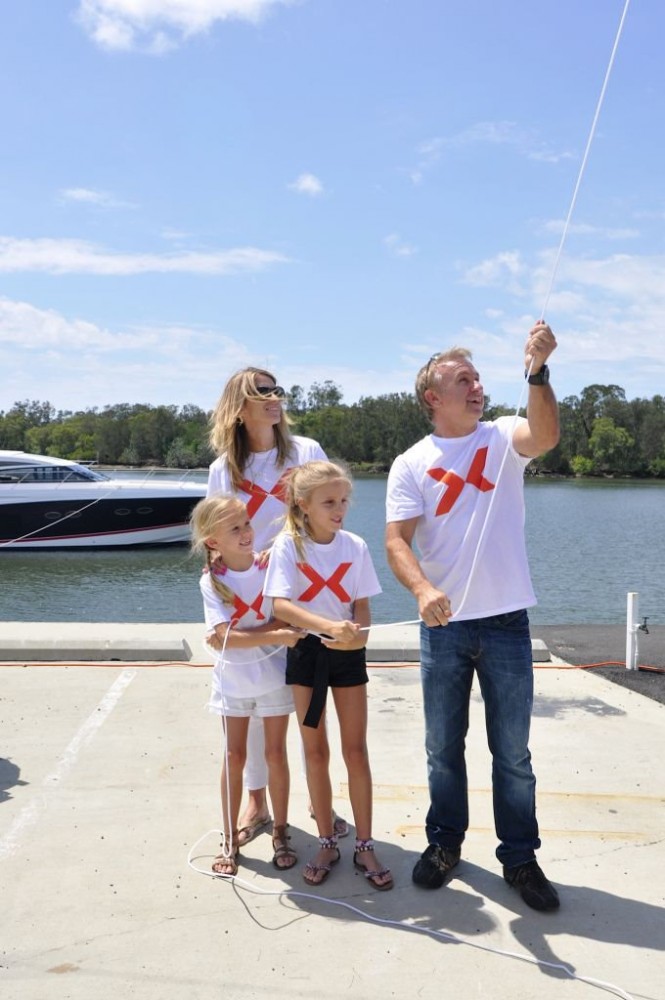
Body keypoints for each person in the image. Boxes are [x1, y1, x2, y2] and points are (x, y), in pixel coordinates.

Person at [384, 322, 561, 911]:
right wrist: (421, 589)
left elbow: (545, 435)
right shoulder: (411, 463)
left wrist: (537, 371)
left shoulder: (503, 436)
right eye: (464, 380)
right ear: (433, 397)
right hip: (444, 627)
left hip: (507, 621)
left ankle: (520, 859)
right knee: (442, 747)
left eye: (478, 377)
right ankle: (444, 845)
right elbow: (397, 541)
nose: (477, 386)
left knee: (513, 754)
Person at [206, 367, 348, 845]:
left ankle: (318, 797)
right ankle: (256, 800)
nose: (274, 398)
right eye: (262, 392)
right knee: (250, 704)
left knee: (309, 699)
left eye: (276, 390)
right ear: (239, 407)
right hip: (248, 598)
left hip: (301, 592)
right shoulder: (224, 470)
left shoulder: (305, 452)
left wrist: (284, 549)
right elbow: (215, 531)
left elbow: (325, 512)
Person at [264, 461, 393, 890]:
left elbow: (362, 606)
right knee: (315, 753)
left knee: (356, 751)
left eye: (344, 501)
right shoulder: (288, 547)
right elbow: (280, 605)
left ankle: (364, 844)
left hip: (348, 655)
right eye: (329, 502)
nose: (340, 510)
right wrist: (325, 627)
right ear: (303, 505)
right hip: (306, 655)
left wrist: (357, 639)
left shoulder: (355, 546)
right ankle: (326, 841)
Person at [190, 494, 303, 876]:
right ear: (213, 541)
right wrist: (274, 632)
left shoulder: (270, 567)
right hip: (232, 682)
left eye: (247, 524)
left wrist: (252, 634)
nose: (246, 533)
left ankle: (281, 831)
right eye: (234, 529)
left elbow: (269, 621)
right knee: (233, 756)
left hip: (274, 678)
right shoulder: (212, 581)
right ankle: (228, 838)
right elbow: (224, 637)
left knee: (275, 754)